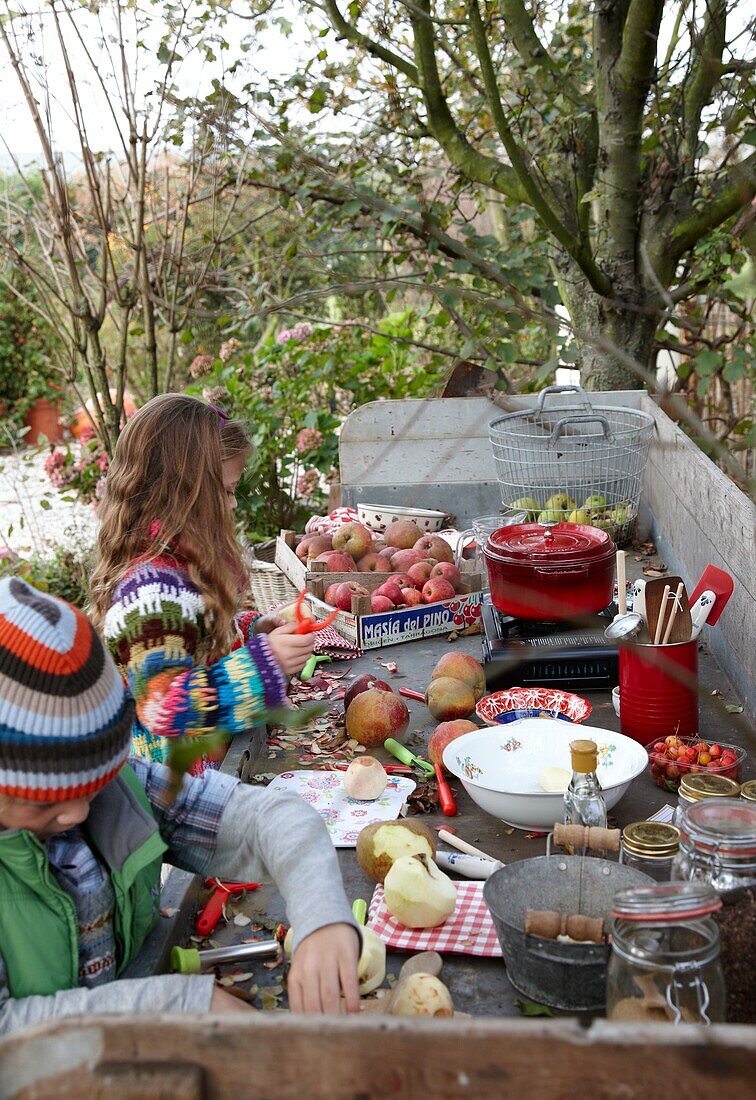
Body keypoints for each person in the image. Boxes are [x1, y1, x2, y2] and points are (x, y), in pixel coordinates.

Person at [0, 576, 360, 1035]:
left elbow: (273, 819)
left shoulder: (123, 792)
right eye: (43, 801)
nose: (78, 814)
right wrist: (184, 1006)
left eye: (92, 786)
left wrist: (322, 919)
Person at [89, 393, 312, 772]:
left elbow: (196, 641)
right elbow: (167, 708)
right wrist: (263, 666)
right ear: (183, 493)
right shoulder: (151, 591)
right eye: (226, 491)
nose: (234, 504)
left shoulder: (181, 565)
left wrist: (252, 629)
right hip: (176, 798)